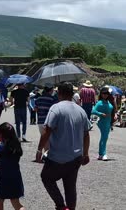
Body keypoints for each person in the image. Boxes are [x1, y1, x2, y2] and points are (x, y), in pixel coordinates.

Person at [36, 82, 90, 210]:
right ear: (72, 94)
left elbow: (47, 130)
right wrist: (86, 154)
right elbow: (86, 134)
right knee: (70, 186)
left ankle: (60, 205)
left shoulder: (56, 108)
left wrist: (39, 149)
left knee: (46, 177)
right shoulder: (81, 110)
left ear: (59, 93)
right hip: (76, 157)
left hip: (57, 156)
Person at [0, 123, 25, 210]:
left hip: (3, 177)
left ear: (1, 135)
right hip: (16, 176)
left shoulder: (1, 146)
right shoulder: (17, 144)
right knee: (16, 202)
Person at [92, 86, 114, 161]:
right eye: (103, 93)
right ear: (101, 94)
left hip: (108, 121)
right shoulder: (99, 102)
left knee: (104, 138)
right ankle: (103, 154)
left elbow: (112, 110)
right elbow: (93, 111)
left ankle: (100, 154)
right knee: (104, 138)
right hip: (102, 122)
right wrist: (101, 114)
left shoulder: (108, 102)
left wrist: (114, 116)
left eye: (106, 93)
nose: (105, 95)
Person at [34, 84, 56, 154]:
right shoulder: (52, 99)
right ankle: (47, 155)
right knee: (49, 139)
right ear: (51, 90)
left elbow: (35, 109)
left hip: (40, 121)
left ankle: (45, 154)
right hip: (48, 122)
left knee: (44, 138)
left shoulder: (38, 99)